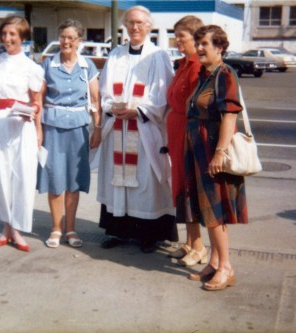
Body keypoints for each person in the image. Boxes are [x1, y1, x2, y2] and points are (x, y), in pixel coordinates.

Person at [97, 6, 177, 253]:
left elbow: (163, 95)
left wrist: (139, 111)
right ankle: (118, 230)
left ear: (149, 26)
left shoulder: (158, 56)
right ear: (125, 26)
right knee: (118, 182)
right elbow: (104, 89)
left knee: (145, 182)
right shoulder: (116, 55)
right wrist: (112, 106)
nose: (135, 27)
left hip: (144, 129)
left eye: (140, 23)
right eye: (130, 22)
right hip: (118, 127)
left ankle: (149, 236)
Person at [185, 25, 248, 290]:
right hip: (199, 149)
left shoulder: (225, 74)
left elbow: (230, 115)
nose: (199, 48)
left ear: (220, 47)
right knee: (206, 208)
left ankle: (226, 268)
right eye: (197, 43)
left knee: (215, 210)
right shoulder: (205, 74)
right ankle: (213, 262)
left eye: (205, 44)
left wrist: (219, 153)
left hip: (213, 150)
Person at [0, 15, 44, 252]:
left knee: (22, 176)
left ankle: (16, 226)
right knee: (0, 174)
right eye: (4, 34)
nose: (7, 39)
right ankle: (8, 227)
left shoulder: (31, 67)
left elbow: (37, 101)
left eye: (13, 35)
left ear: (23, 37)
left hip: (20, 124)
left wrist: (34, 119)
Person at [37, 19, 102, 248]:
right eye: (63, 37)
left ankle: (71, 229)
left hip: (78, 128)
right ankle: (56, 229)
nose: (66, 42)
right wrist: (38, 131)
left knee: (74, 180)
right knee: (54, 178)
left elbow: (95, 100)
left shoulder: (88, 66)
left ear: (79, 41)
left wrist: (98, 128)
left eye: (71, 38)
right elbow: (39, 100)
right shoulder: (47, 65)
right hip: (52, 128)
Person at [166, 16, 207, 267]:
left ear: (196, 38)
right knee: (181, 189)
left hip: (187, 135)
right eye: (176, 35)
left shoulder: (196, 67)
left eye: (182, 36)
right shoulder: (182, 65)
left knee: (188, 190)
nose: (178, 40)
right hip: (176, 133)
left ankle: (199, 246)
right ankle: (191, 242)